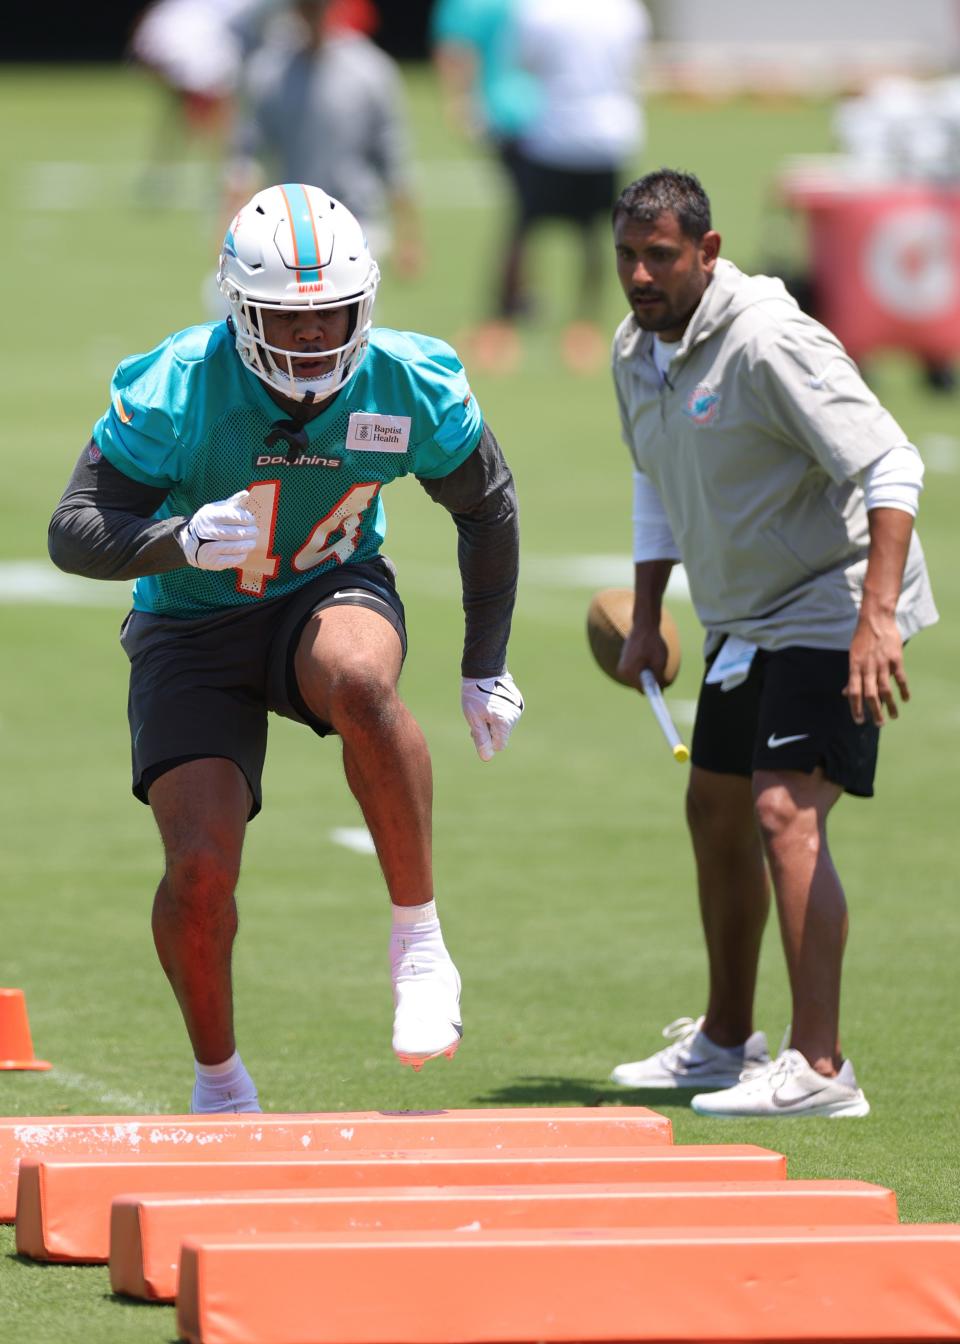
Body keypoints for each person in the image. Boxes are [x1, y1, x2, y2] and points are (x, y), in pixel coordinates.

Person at [48, 182, 524, 1113]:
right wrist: (175, 539)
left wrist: (485, 662)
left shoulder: (407, 378)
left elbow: (486, 505)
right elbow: (73, 527)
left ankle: (419, 944)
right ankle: (220, 1080)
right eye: (285, 320)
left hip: (324, 588)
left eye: (330, 317)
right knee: (198, 870)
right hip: (190, 617)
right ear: (239, 309)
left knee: (357, 675)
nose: (311, 340)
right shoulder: (178, 383)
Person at [606, 169, 937, 1118]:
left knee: (785, 812)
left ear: (707, 253)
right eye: (627, 255)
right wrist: (643, 614)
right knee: (714, 806)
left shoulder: (768, 340)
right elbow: (653, 480)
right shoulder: (638, 350)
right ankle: (722, 1042)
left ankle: (822, 1069)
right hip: (744, 614)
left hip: (831, 600)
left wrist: (877, 616)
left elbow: (892, 460)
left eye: (659, 256)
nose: (638, 274)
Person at [225, 0, 421, 274]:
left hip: (355, 222)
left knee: (346, 312)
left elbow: (393, 157)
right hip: (285, 224)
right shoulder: (267, 72)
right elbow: (245, 157)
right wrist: (228, 228)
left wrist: (409, 235)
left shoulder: (370, 70)